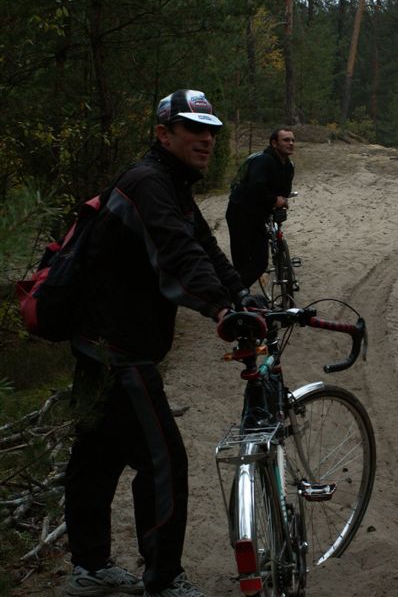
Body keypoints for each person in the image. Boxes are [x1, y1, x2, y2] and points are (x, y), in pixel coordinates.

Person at [64, 89, 256, 597]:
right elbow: (175, 254)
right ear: (163, 134)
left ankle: (89, 567)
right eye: (193, 129)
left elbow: (203, 247)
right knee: (164, 460)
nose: (206, 139)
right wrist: (221, 310)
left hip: (102, 341)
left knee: (98, 456)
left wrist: (241, 295)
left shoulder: (169, 183)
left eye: (211, 131)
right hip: (117, 348)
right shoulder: (148, 183)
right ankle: (164, 579)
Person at [225, 128, 295, 288]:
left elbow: (284, 191)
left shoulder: (288, 166)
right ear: (274, 143)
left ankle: (236, 290)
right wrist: (274, 199)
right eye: (286, 140)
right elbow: (255, 186)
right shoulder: (264, 161)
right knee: (244, 261)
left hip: (259, 214)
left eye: (292, 140)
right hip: (241, 212)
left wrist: (281, 200)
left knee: (259, 261)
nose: (291, 143)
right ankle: (233, 293)